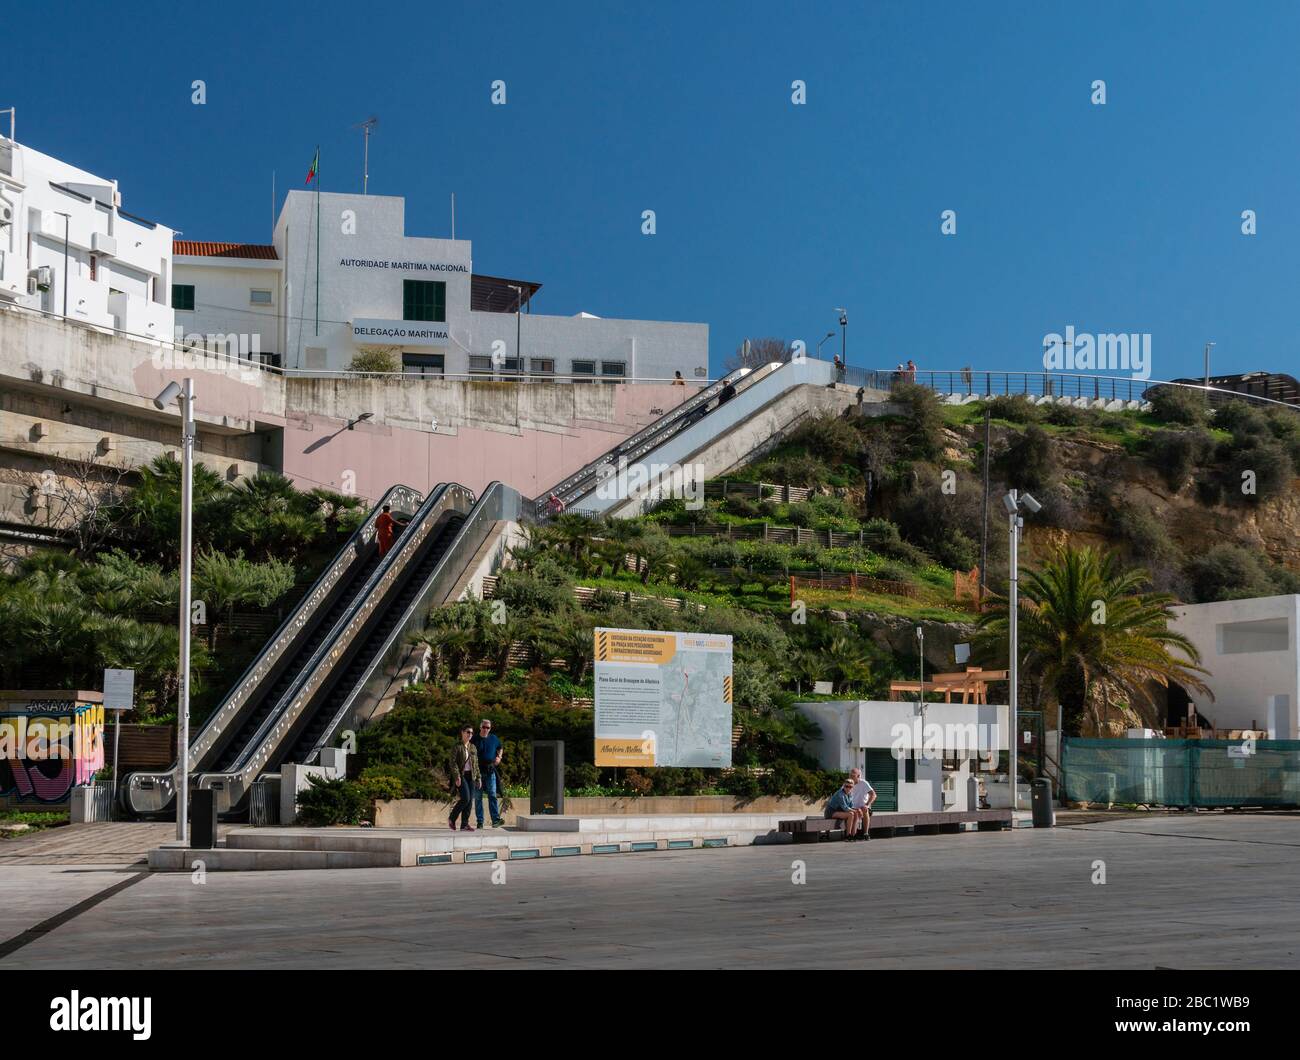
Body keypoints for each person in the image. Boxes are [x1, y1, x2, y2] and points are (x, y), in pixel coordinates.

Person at [472, 717, 504, 828]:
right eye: (484, 727)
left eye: (488, 727)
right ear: (480, 727)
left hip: (490, 771)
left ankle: (495, 820)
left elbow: (500, 747)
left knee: (492, 795)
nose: (486, 729)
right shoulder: (474, 739)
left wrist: (499, 757)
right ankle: (480, 822)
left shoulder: (494, 738)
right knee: (478, 797)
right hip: (478, 773)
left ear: (490, 729)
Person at [447, 725, 481, 831]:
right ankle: (452, 818)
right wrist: (457, 776)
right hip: (461, 775)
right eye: (468, 732)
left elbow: (476, 765)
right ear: (462, 732)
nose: (470, 734)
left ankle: (464, 825)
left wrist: (479, 778)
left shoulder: (473, 747)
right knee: (466, 798)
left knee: (470, 801)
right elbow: (453, 763)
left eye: (471, 733)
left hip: (471, 776)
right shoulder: (457, 747)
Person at [848, 766, 877, 841]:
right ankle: (851, 835)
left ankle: (866, 833)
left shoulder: (863, 783)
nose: (851, 777)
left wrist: (867, 805)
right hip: (852, 807)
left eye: (853, 776)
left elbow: (873, 795)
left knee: (864, 810)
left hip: (863, 806)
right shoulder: (848, 783)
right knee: (853, 812)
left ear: (858, 776)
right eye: (850, 775)